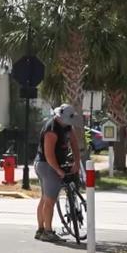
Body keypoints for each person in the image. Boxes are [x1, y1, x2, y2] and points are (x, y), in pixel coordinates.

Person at [33, 104, 82, 243]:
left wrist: (77, 162)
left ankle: (41, 229)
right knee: (50, 200)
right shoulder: (52, 129)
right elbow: (49, 155)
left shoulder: (66, 126)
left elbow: (74, 144)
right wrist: (58, 170)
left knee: (45, 197)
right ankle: (47, 232)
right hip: (46, 165)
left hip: (54, 164)